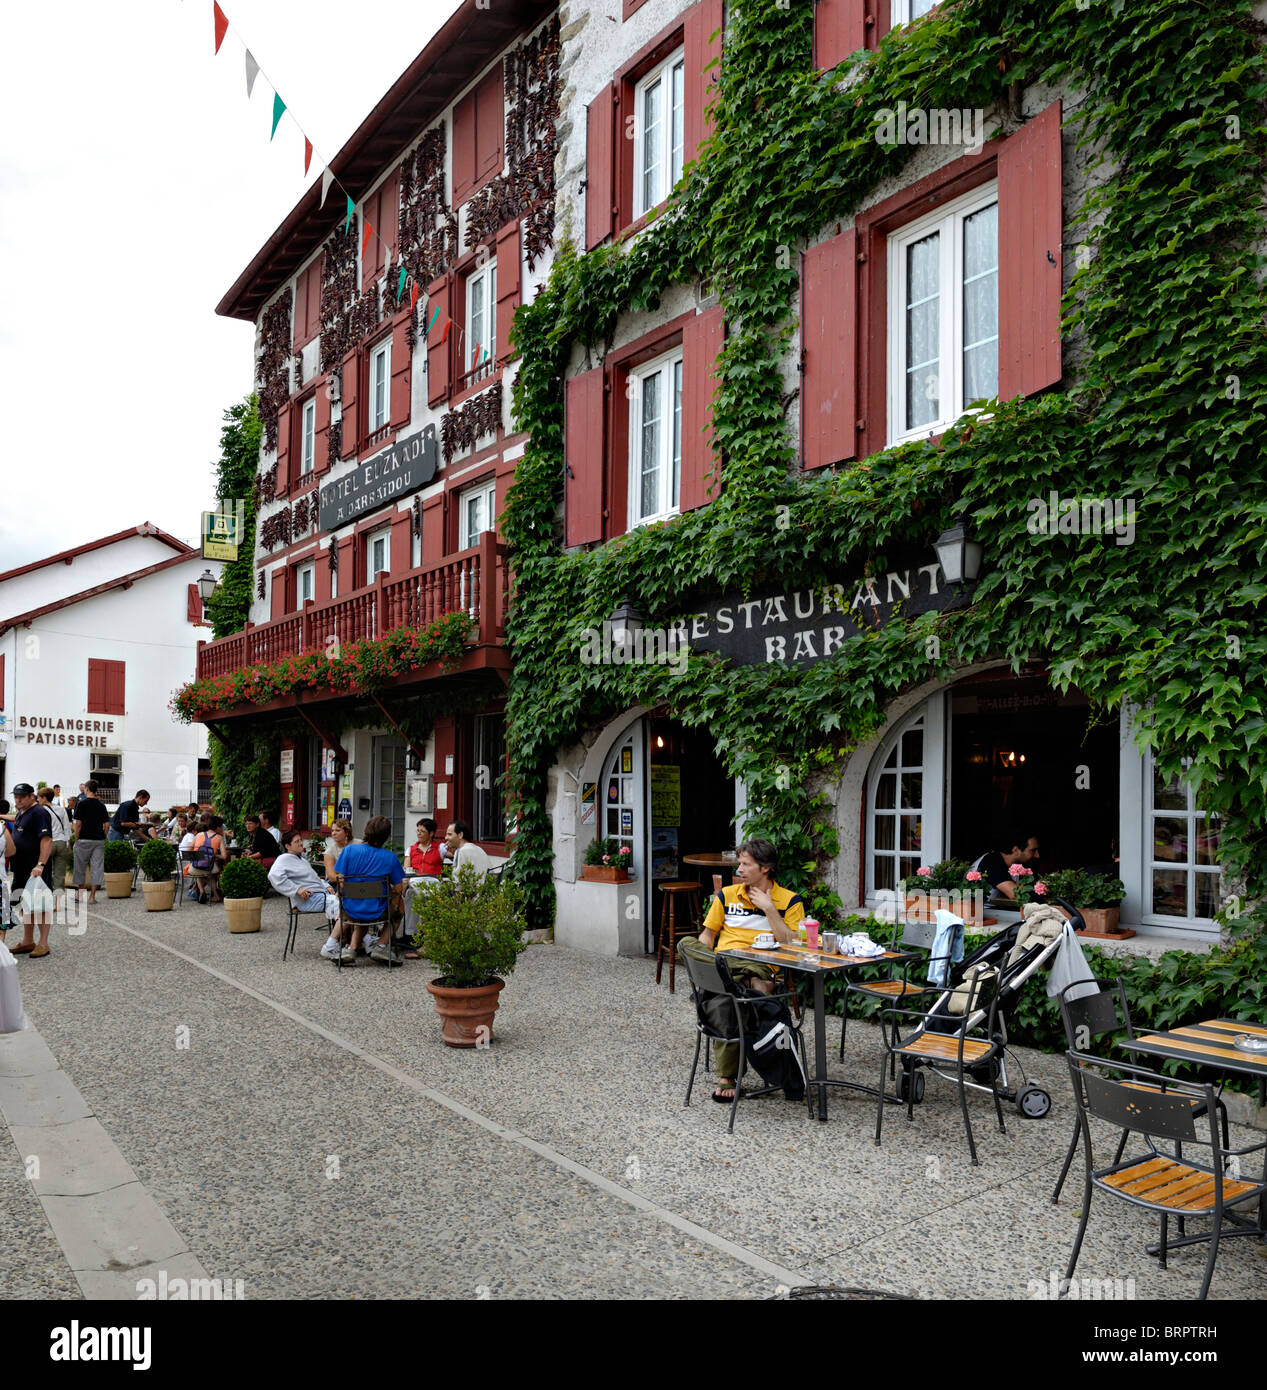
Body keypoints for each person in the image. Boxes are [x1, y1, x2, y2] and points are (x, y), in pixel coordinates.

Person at [694, 838, 807, 1103]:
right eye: (740, 863)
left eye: (746, 864)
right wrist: (705, 965)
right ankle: (767, 1052)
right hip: (726, 966)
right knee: (729, 988)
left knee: (734, 997)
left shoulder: (789, 900)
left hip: (761, 969)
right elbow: (707, 936)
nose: (740, 869)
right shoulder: (727, 895)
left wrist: (769, 909)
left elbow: (792, 944)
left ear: (765, 868)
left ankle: (728, 1076)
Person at [333, 815, 405, 965]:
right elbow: (399, 888)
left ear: (366, 831)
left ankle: (351, 949)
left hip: (350, 909)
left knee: (362, 908)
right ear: (387, 836)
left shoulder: (349, 850)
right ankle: (380, 946)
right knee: (399, 910)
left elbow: (340, 880)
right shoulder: (389, 857)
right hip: (377, 910)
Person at [269, 830, 340, 951]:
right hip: (307, 900)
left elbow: (314, 879)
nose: (301, 843)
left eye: (300, 840)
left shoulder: (301, 859)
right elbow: (273, 876)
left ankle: (352, 941)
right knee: (344, 904)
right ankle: (332, 945)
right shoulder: (283, 859)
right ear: (287, 846)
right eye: (297, 841)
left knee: (349, 902)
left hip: (320, 895)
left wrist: (325, 885)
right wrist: (296, 889)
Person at [7, 784, 55, 958]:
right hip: (21, 867)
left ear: (31, 796)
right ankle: (28, 941)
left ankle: (43, 943)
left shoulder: (39, 813)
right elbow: (16, 822)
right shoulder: (22, 812)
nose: (18, 799)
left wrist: (40, 864)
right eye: (16, 796)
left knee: (40, 906)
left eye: (21, 796)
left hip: (35, 869)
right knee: (26, 904)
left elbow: (46, 840)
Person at [970, 830, 1041, 901]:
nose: (1037, 855)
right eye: (1033, 850)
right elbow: (1014, 893)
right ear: (1015, 850)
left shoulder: (1019, 865)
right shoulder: (992, 860)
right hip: (977, 910)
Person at [71, 780, 110, 906]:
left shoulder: (82, 804)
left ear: (87, 789)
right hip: (98, 840)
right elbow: (107, 824)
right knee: (97, 868)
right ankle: (92, 897)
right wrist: (103, 835)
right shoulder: (101, 805)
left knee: (80, 867)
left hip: (84, 839)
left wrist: (76, 839)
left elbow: (78, 824)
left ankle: (80, 895)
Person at [37, 788, 72, 912]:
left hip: (48, 843)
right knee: (59, 875)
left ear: (44, 798)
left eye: (39, 797)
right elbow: (67, 828)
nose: (38, 799)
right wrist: (69, 845)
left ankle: (46, 902)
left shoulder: (40, 811)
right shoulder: (61, 809)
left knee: (44, 873)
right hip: (61, 842)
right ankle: (57, 904)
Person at [189, 816, 228, 904]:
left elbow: (189, 849)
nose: (222, 828)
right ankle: (216, 895)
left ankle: (202, 891)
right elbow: (224, 856)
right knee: (214, 872)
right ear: (217, 827)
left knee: (199, 872)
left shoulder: (198, 834)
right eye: (221, 826)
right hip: (209, 868)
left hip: (194, 868)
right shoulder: (219, 838)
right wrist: (214, 855)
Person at [323, 818, 354, 886]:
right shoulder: (330, 851)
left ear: (347, 832)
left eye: (337, 830)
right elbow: (332, 877)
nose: (333, 833)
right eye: (332, 830)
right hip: (336, 884)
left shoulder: (359, 844)